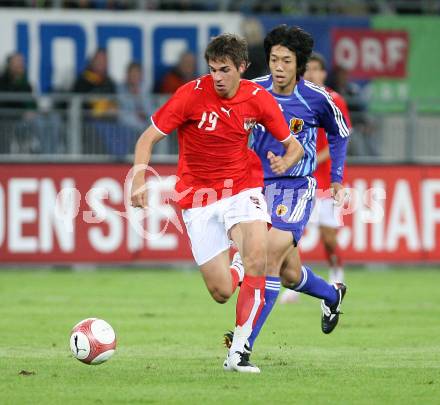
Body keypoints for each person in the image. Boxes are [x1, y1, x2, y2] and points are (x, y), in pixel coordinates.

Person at [130, 33, 304, 373]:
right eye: (212, 70)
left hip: (242, 188)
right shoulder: (190, 96)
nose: (217, 78)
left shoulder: (258, 97)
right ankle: (237, 267)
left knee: (259, 255)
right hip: (198, 198)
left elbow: (293, 144)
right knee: (222, 290)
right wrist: (138, 178)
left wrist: (286, 162)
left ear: (242, 67)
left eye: (224, 70)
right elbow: (147, 138)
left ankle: (239, 352)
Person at [223, 25, 350, 360]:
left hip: (296, 186)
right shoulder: (252, 90)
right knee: (290, 273)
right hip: (256, 187)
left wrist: (336, 177)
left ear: (299, 64)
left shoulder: (317, 98)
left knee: (267, 258)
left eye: (286, 61)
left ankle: (243, 344)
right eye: (274, 59)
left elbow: (339, 133)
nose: (278, 67)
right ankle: (332, 295)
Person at [279, 52, 352, 304]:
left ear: (323, 73)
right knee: (290, 235)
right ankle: (292, 283)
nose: (312, 74)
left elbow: (340, 138)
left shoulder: (333, 100)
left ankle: (336, 274)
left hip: (325, 180)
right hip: (300, 180)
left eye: (316, 70)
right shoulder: (295, 99)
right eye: (307, 70)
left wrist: (313, 159)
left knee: (328, 238)